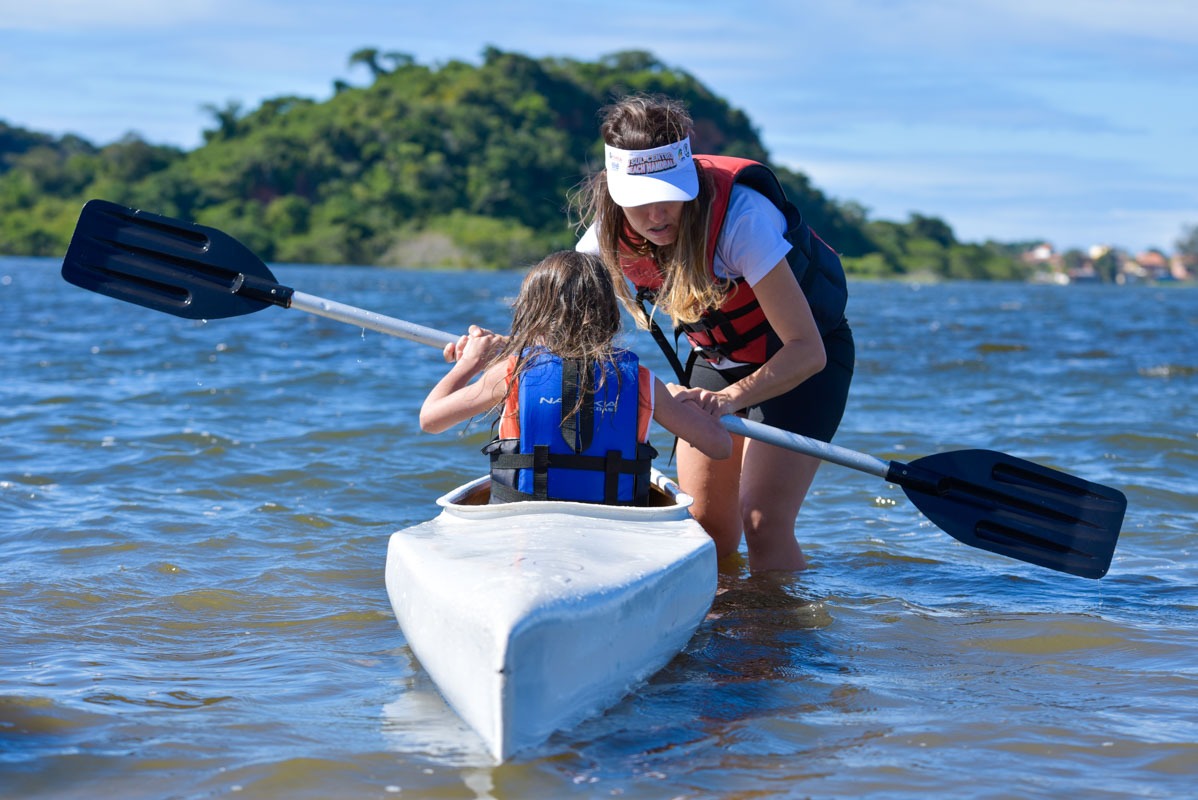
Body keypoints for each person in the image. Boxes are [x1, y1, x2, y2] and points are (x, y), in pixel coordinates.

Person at [573, 94, 854, 570]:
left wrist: (725, 401)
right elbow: (563, 334)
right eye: (642, 201)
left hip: (802, 365)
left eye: (671, 193)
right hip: (718, 359)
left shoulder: (743, 221)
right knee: (705, 529)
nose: (658, 214)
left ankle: (778, 639)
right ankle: (721, 630)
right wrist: (503, 351)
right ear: (615, 189)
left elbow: (808, 351)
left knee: (762, 522)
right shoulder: (602, 236)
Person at [420, 250, 731, 505]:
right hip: (614, 521)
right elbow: (720, 447)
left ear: (532, 314)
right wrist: (676, 401)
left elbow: (430, 420)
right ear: (609, 315)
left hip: (523, 526)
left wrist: (470, 363)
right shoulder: (642, 381)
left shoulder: (511, 372)